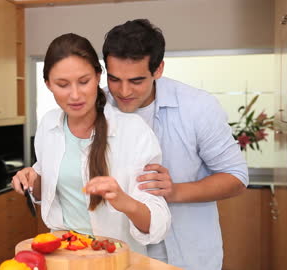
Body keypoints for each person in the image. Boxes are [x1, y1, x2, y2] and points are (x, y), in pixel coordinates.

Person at [101, 19, 249, 270]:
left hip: (188, 256)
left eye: (136, 81)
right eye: (114, 79)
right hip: (118, 254)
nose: (123, 91)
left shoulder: (198, 107)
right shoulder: (98, 107)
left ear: (158, 70)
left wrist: (174, 191)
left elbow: (236, 177)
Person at [11, 33, 171, 254]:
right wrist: (31, 179)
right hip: (64, 255)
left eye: (84, 82)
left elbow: (158, 225)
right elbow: (47, 189)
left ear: (98, 76)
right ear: (48, 84)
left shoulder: (134, 131)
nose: (75, 95)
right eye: (62, 84)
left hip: (115, 259)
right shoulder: (48, 124)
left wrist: (123, 200)